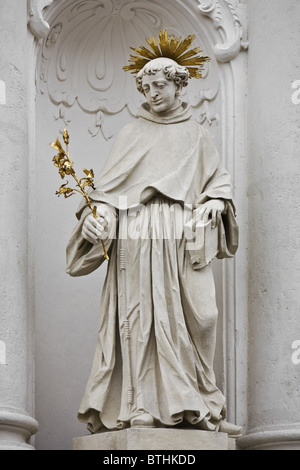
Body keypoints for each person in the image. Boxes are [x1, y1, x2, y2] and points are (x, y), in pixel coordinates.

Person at [66, 31, 242, 437]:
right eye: (145, 87)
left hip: (183, 237)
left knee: (203, 316)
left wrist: (216, 201)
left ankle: (202, 401)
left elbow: (218, 183)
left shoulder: (197, 134)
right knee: (141, 318)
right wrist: (96, 219)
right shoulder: (131, 134)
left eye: (160, 85)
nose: (152, 93)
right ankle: (141, 405)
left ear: (180, 85)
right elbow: (107, 193)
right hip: (139, 234)